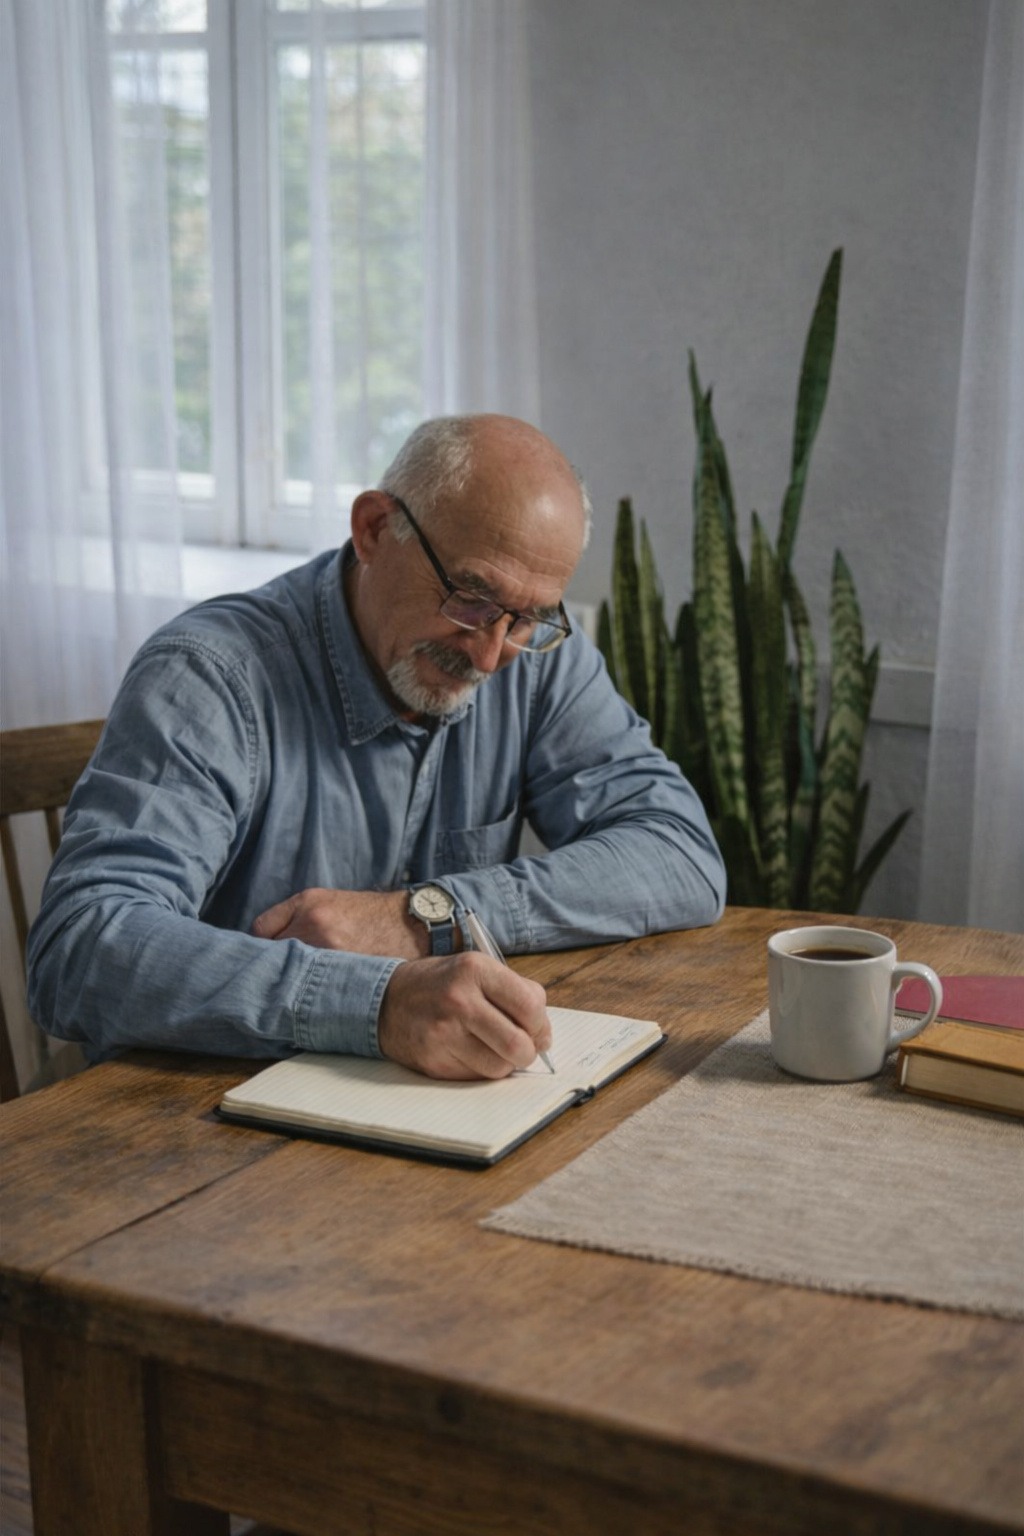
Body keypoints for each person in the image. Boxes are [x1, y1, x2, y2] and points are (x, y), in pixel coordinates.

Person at [27, 414, 725, 1080]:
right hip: (187, 1121)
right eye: (470, 600)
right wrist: (376, 1004)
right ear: (373, 529)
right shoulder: (210, 676)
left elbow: (681, 856)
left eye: (526, 619)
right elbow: (81, 949)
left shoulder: (536, 663)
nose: (488, 655)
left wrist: (423, 917)